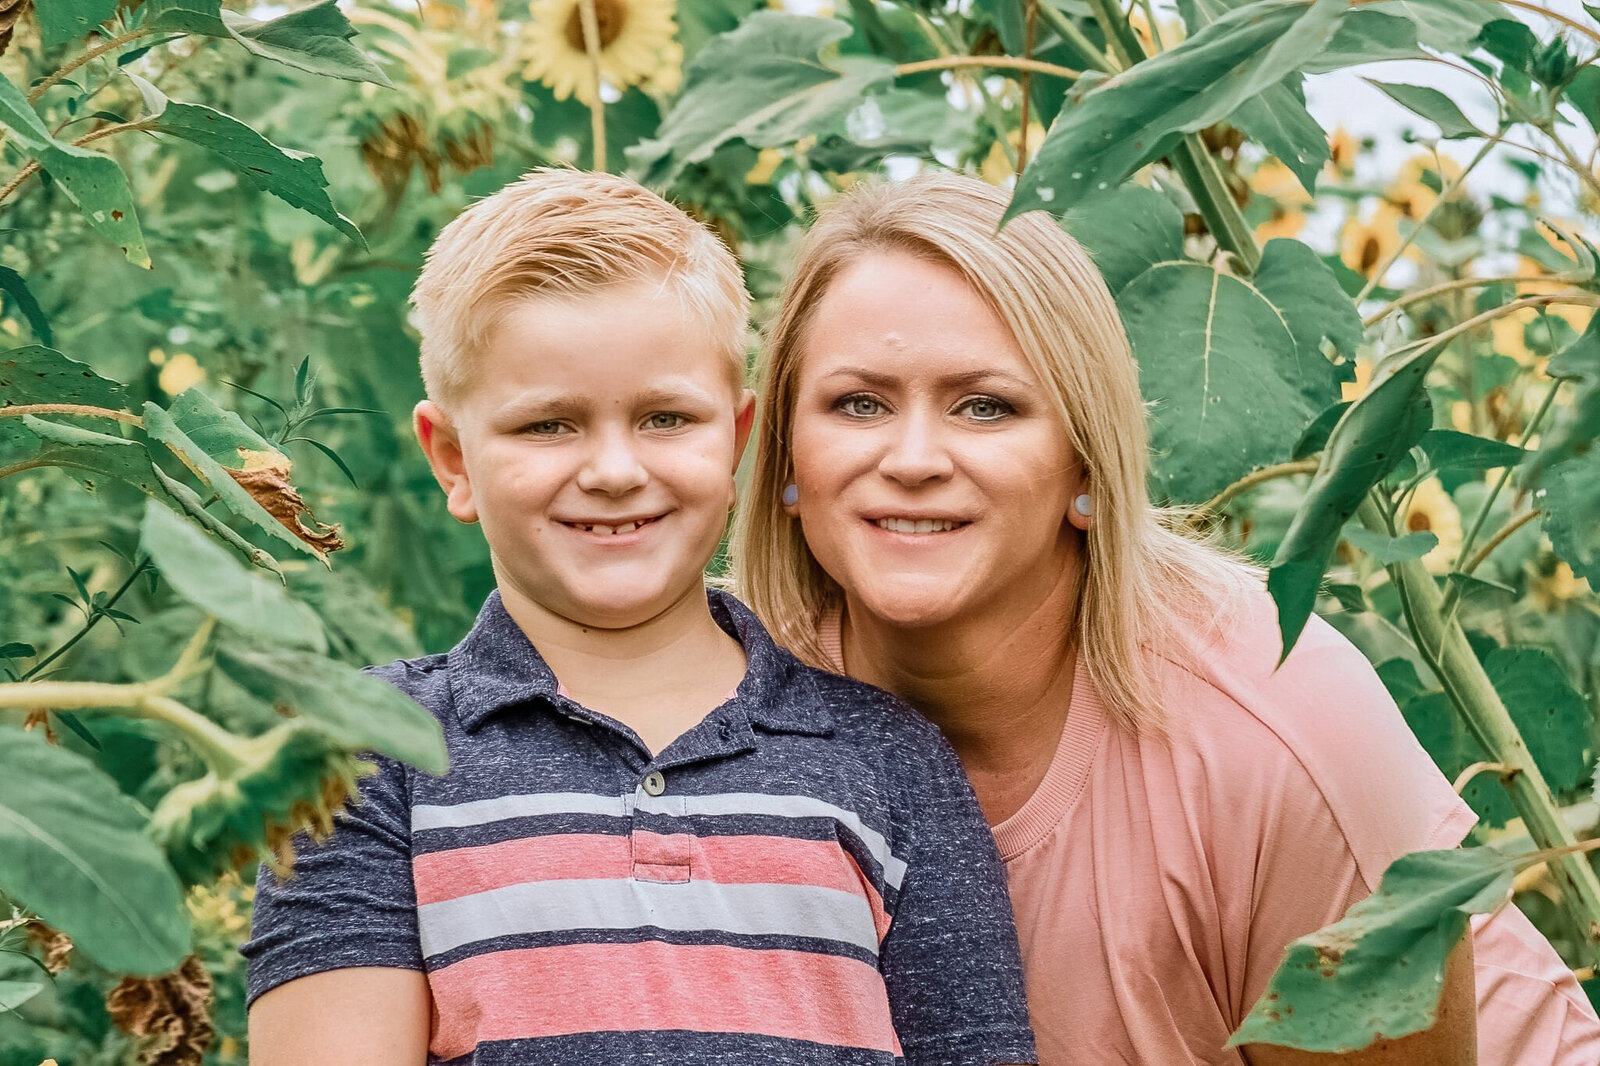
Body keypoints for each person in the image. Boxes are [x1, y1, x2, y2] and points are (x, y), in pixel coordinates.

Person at [734, 170, 1600, 1066]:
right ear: (787, 457)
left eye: (985, 405)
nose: (912, 458)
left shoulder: (1274, 723)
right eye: (859, 404)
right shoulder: (725, 725)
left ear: (1086, 463)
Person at [242, 169, 1037, 1066]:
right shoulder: (366, 752)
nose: (615, 470)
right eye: (549, 426)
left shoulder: (888, 758)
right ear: (453, 459)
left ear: (737, 441)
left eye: (665, 418)